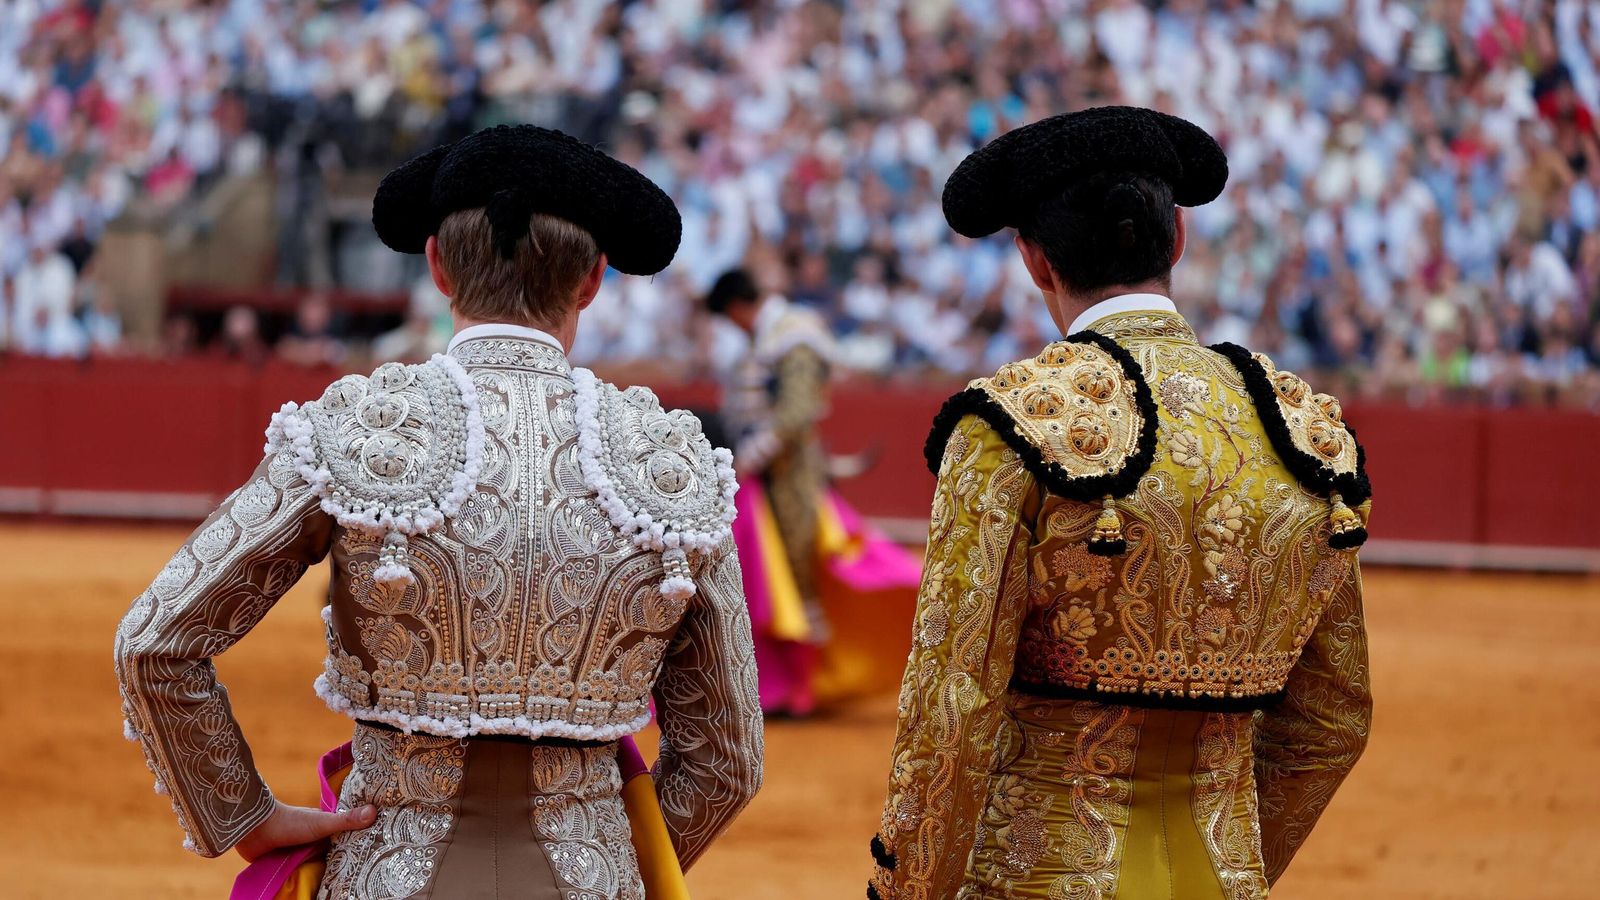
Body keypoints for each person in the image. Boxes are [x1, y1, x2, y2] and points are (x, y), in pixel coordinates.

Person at [115, 124, 763, 899]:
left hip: (385, 870)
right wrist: (613, 859)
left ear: (437, 268)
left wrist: (244, 817)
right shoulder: (672, 459)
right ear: (593, 279)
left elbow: (154, 644)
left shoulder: (357, 428)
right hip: (589, 872)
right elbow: (727, 758)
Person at [868, 107, 1373, 899]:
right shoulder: (1302, 428)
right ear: (1177, 236)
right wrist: (1239, 860)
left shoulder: (1012, 422)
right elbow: (1332, 720)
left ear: (1034, 260)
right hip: (1222, 875)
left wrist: (908, 890)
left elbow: (952, 708)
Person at [706, 268, 833, 717]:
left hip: (791, 474)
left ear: (738, 308)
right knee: (763, 575)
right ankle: (780, 685)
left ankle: (805, 687)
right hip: (764, 475)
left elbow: (797, 413)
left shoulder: (793, 335)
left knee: (795, 570)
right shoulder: (768, 336)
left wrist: (751, 456)